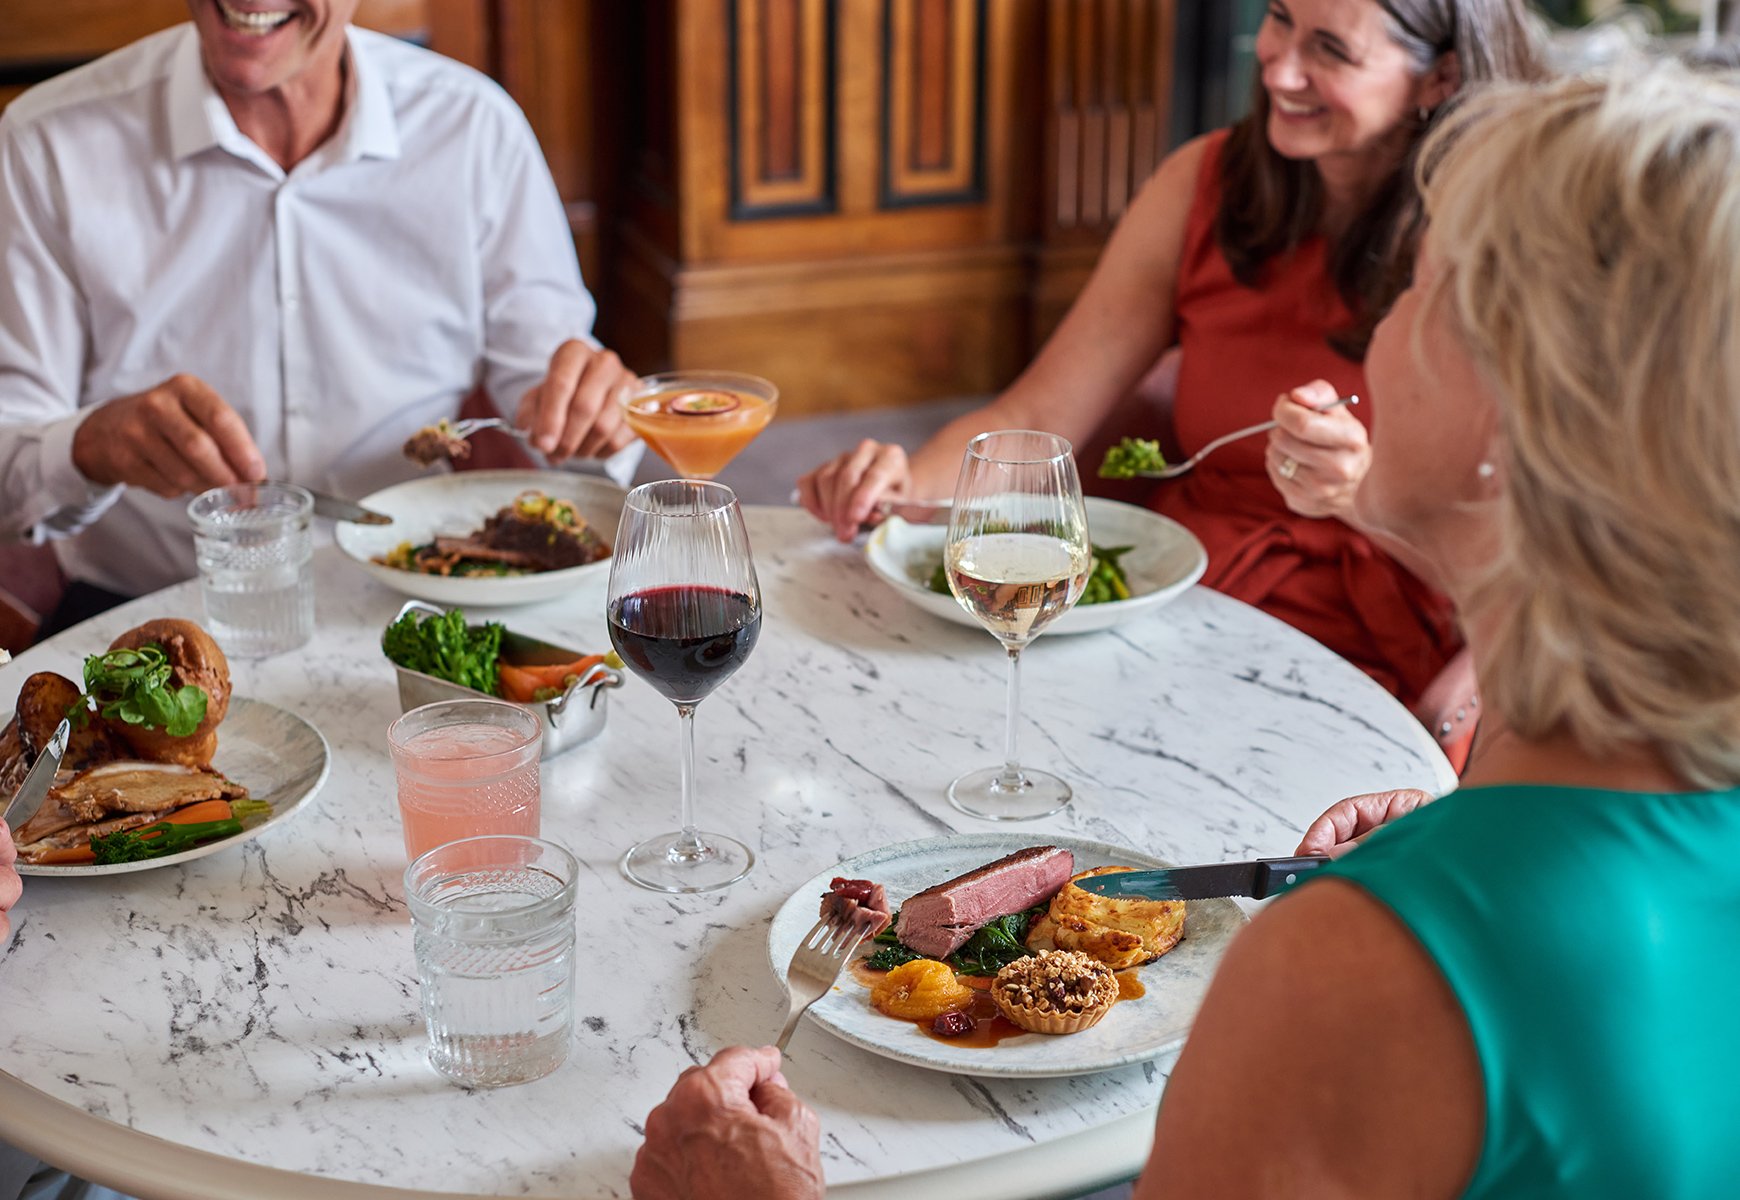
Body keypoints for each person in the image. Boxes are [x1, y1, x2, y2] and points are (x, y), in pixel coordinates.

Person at [635, 64, 1740, 1196]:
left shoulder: (1358, 965)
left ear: (1515, 421)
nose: (1376, 327)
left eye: (1419, 287)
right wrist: (1458, 838)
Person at [799, 0, 1538, 712]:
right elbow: (1038, 412)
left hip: (1377, 640)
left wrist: (1356, 497)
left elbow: (1533, 559)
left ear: (1440, 77)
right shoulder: (1204, 183)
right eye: (1280, 18)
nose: (1279, 69)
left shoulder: (1499, 238)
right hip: (1182, 597)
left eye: (1332, 50)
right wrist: (896, 492)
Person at [0, 0, 638, 623]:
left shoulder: (473, 128)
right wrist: (91, 445)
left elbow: (551, 393)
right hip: (145, 611)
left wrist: (591, 409)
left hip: (416, 597)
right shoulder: (46, 142)